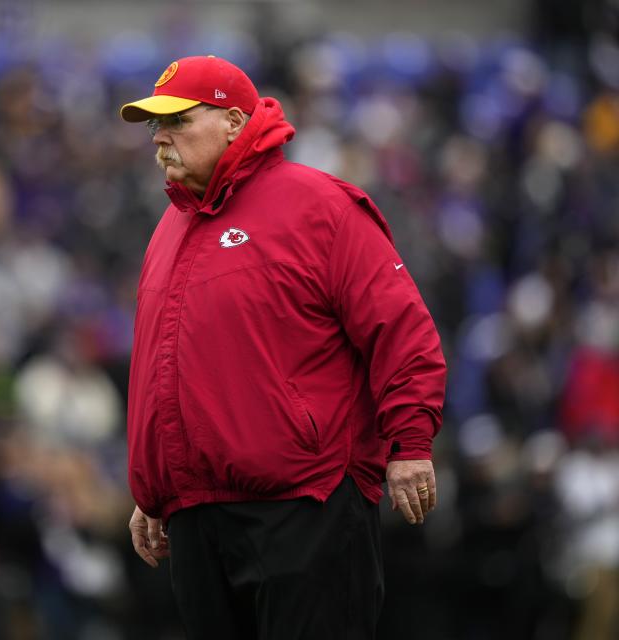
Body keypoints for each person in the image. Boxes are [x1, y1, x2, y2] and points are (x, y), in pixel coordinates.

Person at [119, 55, 447, 639]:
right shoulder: (167, 230)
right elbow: (163, 369)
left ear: (235, 121)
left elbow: (400, 327)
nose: (160, 139)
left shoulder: (319, 205)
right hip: (197, 515)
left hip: (306, 501)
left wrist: (411, 441)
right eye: (153, 126)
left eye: (178, 120)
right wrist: (155, 486)